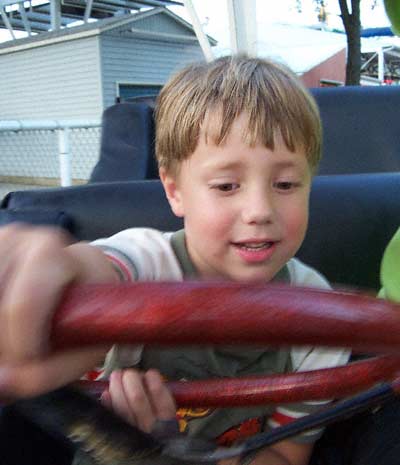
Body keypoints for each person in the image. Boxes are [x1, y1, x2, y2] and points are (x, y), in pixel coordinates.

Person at [0, 55, 349, 465]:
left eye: (286, 183)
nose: (260, 209)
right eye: (226, 185)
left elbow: (288, 452)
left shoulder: (324, 319)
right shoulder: (149, 262)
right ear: (174, 191)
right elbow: (97, 272)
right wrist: (51, 271)